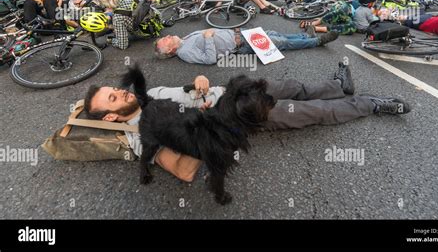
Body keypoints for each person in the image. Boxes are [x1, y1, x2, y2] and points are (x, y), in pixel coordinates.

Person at [83, 64, 411, 182]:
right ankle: (370, 105)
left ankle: (340, 86)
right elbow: (184, 169)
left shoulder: (149, 93)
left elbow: (190, 87)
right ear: (111, 117)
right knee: (312, 112)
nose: (120, 93)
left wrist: (198, 80)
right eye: (113, 99)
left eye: (115, 90)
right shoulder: (140, 135)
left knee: (293, 85)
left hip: (234, 90)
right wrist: (207, 125)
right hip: (238, 116)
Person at [154, 28, 339, 64]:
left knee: (275, 34)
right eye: (167, 39)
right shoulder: (185, 52)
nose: (169, 35)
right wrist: (209, 37)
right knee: (281, 43)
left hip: (239, 35)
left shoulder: (184, 40)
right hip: (241, 45)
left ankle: (306, 36)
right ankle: (317, 41)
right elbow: (209, 59)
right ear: (170, 50)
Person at [93, 0, 158, 50]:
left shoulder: (118, 17)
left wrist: (112, 40)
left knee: (116, 25)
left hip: (147, 32)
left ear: (106, 2)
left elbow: (123, 45)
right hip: (156, 20)